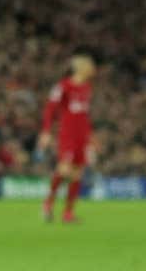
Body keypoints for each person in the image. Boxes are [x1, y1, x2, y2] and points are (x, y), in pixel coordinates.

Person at [38, 55, 96, 224]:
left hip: (81, 136)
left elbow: (85, 115)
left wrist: (90, 137)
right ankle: (48, 203)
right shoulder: (63, 86)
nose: (93, 70)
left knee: (77, 174)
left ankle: (68, 213)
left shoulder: (86, 88)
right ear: (81, 68)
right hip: (68, 134)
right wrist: (46, 131)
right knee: (64, 170)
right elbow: (50, 109)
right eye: (90, 67)